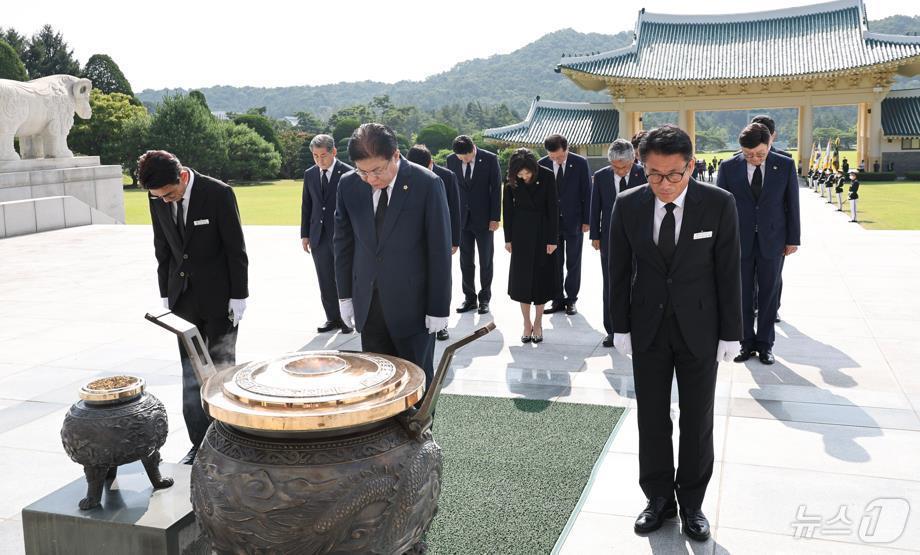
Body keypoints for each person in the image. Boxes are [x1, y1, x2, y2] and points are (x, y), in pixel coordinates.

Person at [608, 125, 741, 543]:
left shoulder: (718, 204)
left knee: (697, 419)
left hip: (700, 329)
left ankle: (693, 504)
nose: (663, 185)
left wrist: (731, 333)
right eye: (653, 174)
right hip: (647, 329)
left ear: (691, 166)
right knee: (651, 417)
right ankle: (658, 499)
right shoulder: (627, 205)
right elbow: (617, 270)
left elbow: (728, 271)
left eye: (673, 175)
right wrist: (619, 326)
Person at [140, 149, 248, 465]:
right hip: (182, 300)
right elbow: (162, 248)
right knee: (191, 373)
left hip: (220, 299)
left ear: (182, 177)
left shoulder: (218, 193)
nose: (166, 201)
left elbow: (235, 248)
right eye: (159, 197)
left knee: (220, 368)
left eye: (170, 194)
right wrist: (165, 295)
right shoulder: (157, 198)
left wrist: (238, 295)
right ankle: (198, 443)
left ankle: (229, 439)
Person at [334, 123, 451, 388]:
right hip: (369, 304)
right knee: (375, 381)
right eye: (363, 171)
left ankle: (421, 430)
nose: (371, 179)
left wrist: (438, 307)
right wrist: (344, 296)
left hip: (414, 307)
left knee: (416, 381)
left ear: (395, 155)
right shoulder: (349, 185)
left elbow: (439, 250)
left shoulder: (427, 184)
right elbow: (343, 244)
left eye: (377, 170)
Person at [717, 123, 800, 365]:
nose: (754, 159)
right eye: (748, 154)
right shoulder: (728, 167)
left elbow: (792, 204)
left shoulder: (784, 165)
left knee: (768, 294)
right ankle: (745, 343)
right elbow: (720, 207)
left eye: (759, 154)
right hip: (738, 241)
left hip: (773, 241)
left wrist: (793, 239)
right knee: (740, 295)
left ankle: (765, 345)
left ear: (770, 144)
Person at [590, 139, 646, 347]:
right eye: (615, 167)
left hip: (640, 238)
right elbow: (595, 207)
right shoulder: (602, 176)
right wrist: (595, 235)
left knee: (639, 282)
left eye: (624, 167)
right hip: (610, 238)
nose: (620, 171)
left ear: (633, 159)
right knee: (611, 284)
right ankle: (613, 329)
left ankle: (637, 327)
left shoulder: (644, 174)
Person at [503, 148, 559, 343]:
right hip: (520, 234)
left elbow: (553, 208)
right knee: (522, 281)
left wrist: (553, 239)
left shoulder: (547, 175)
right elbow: (507, 210)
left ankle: (539, 322)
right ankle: (526, 323)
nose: (524, 176)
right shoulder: (511, 180)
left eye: (527, 172)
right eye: (520, 173)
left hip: (543, 232)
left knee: (541, 280)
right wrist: (508, 239)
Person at [407, 144, 461, 341]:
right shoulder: (403, 177)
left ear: (431, 163)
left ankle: (442, 325)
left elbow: (455, 209)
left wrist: (454, 239)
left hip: (440, 239)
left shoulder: (446, 177)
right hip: (412, 241)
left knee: (440, 280)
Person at [301, 134, 353, 335]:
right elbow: (307, 205)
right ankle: (332, 318)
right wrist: (305, 234)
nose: (319, 160)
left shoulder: (348, 173)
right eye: (315, 156)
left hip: (342, 237)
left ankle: (346, 319)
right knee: (325, 279)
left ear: (333, 152)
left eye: (323, 155)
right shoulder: (310, 174)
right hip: (318, 236)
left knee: (343, 278)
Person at [446, 135, 501, 315]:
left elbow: (495, 189)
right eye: (460, 157)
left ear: (473, 149)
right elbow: (451, 191)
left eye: (466, 157)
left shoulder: (490, 159)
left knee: (485, 260)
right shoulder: (451, 160)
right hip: (462, 219)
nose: (463, 160)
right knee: (465, 261)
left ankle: (485, 298)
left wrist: (495, 217)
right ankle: (469, 298)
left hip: (484, 219)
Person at [539, 134, 591, 316]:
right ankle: (557, 299)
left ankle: (571, 299)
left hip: (574, 220)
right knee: (554, 262)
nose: (556, 160)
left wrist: (587, 220)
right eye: (552, 156)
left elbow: (587, 192)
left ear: (566, 149)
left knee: (573, 262)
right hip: (551, 223)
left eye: (559, 156)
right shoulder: (542, 163)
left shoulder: (580, 163)